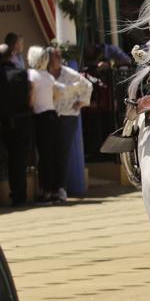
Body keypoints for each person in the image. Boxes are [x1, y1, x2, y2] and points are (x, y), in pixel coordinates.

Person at [47, 48, 92, 201]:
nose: (57, 59)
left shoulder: (69, 74)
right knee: (50, 153)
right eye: (54, 56)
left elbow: (87, 86)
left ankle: (61, 188)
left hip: (67, 117)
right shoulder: (46, 74)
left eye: (58, 56)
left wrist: (80, 103)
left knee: (62, 153)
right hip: (51, 116)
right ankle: (51, 188)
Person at [26, 46, 64, 203]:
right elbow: (58, 94)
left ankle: (45, 191)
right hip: (52, 114)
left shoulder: (31, 75)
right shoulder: (48, 76)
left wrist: (30, 106)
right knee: (53, 154)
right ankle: (55, 190)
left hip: (40, 116)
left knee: (43, 155)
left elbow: (32, 98)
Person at [0, 42, 33, 206]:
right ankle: (20, 195)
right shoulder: (20, 73)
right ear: (11, 55)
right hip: (21, 122)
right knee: (19, 162)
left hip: (4, 123)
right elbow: (28, 97)